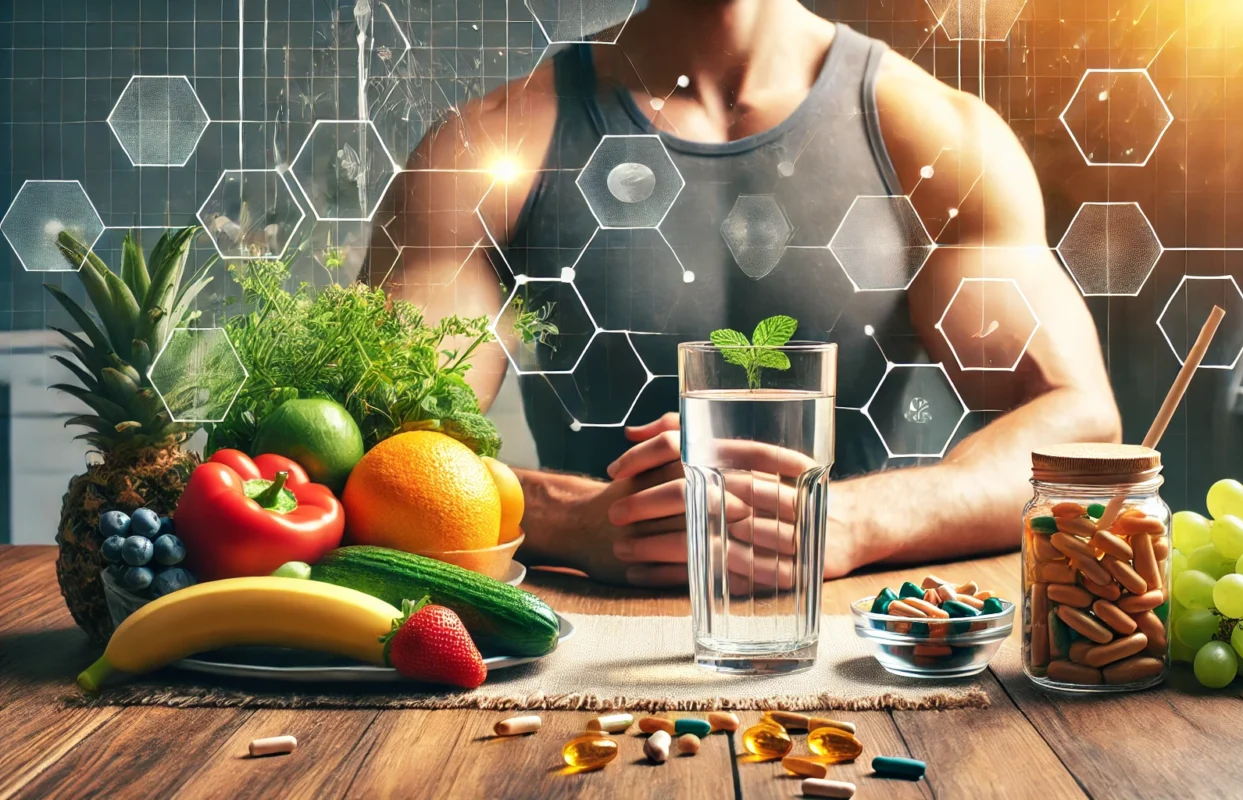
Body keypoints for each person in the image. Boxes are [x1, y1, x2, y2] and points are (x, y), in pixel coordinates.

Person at [366, 0, 1120, 587]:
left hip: (872, 648)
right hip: (573, 649)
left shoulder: (939, 136)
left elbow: (1081, 426)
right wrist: (572, 521)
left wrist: (857, 519)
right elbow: (374, 449)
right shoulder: (488, 149)